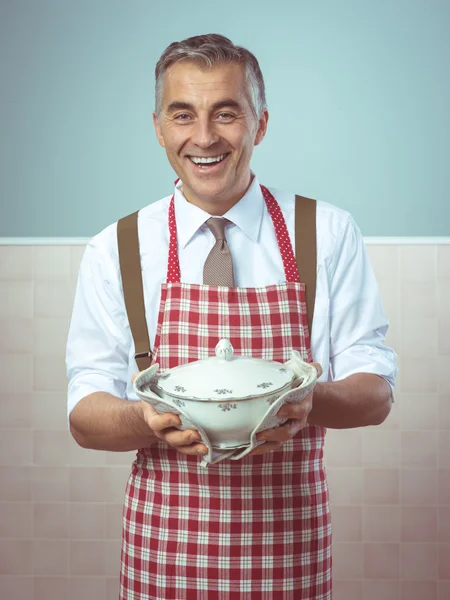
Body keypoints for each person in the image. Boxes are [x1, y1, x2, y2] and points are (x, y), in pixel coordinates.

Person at [66, 33, 397, 600]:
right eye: (182, 115)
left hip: (288, 549)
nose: (203, 137)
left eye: (226, 113)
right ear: (158, 128)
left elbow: (377, 394)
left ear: (260, 123)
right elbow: (83, 413)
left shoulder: (328, 233)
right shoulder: (116, 247)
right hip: (164, 554)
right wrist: (148, 421)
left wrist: (311, 402)